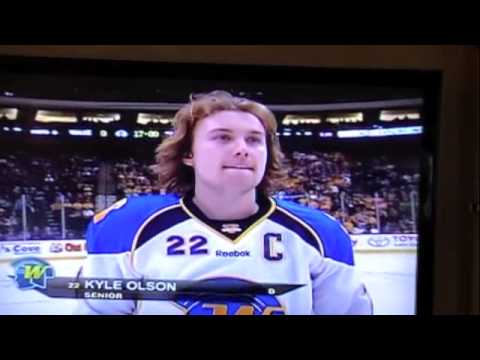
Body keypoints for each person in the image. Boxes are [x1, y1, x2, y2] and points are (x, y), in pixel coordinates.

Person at [74, 90, 372, 315]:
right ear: (188, 154)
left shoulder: (319, 234)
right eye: (223, 138)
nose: (243, 150)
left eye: (255, 140)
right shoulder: (128, 228)